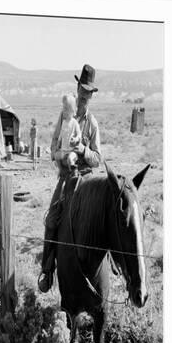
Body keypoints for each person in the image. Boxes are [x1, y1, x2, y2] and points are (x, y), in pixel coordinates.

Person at [38, 64, 102, 293]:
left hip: (85, 180)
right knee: (52, 218)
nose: (84, 96)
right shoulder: (64, 117)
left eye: (88, 93)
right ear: (77, 88)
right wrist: (59, 156)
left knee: (105, 221)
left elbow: (97, 159)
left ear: (92, 95)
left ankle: (116, 269)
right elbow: (53, 146)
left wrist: (83, 149)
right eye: (82, 90)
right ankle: (47, 270)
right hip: (66, 178)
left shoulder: (92, 124)